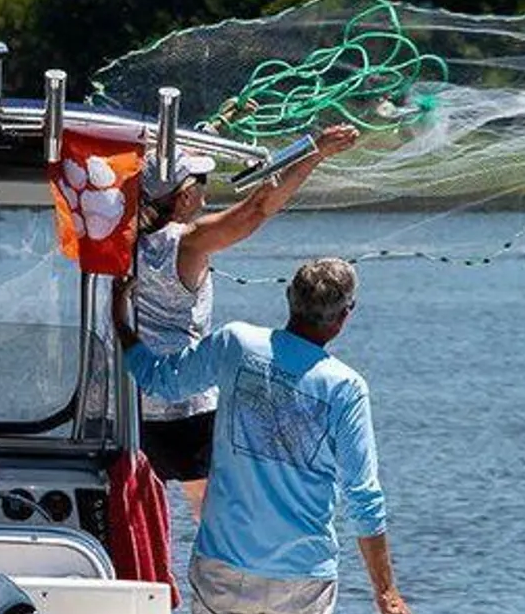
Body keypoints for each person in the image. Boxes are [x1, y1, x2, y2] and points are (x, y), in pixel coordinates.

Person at [113, 257, 412, 614]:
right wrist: (386, 594)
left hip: (225, 562)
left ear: (289, 299)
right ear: (344, 317)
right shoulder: (346, 387)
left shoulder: (237, 342)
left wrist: (122, 323)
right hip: (303, 574)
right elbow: (364, 497)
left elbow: (162, 382)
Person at [119, 122, 361, 517]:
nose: (205, 186)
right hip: (185, 401)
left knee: (142, 512)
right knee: (216, 515)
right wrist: (313, 151)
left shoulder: (120, 238)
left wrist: (210, 131)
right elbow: (257, 208)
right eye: (199, 180)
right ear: (181, 199)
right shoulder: (188, 241)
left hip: (128, 401)